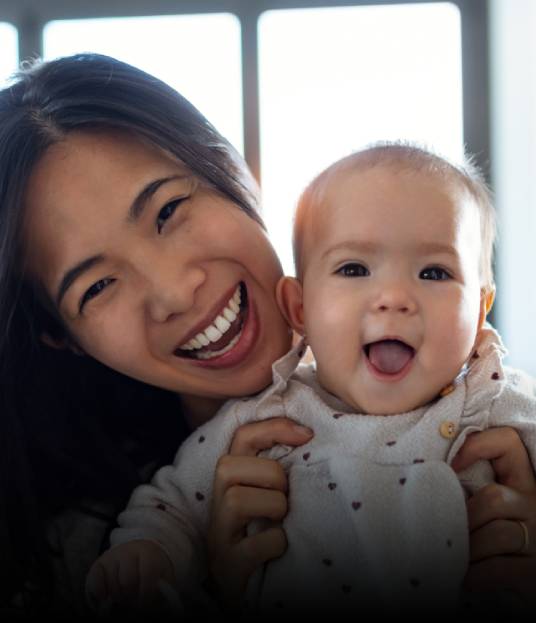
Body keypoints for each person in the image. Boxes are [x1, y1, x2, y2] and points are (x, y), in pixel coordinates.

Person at [0, 53, 534, 619]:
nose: (177, 293)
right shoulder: (78, 559)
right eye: (99, 285)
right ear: (64, 338)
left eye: (169, 209)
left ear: (230, 168)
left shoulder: (483, 398)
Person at [87, 143, 536, 615]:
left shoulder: (492, 403)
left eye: (434, 272)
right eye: (354, 269)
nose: (394, 297)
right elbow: (173, 503)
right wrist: (145, 553)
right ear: (300, 308)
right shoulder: (266, 418)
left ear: (481, 309)